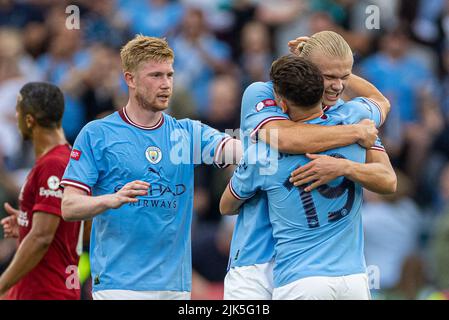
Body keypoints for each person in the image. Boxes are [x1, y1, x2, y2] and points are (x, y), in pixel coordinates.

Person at [60, 35, 241, 300]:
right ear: (130, 79)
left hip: (174, 288)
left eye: (169, 75)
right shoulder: (98, 134)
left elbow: (239, 150)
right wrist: (112, 199)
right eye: (155, 75)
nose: (166, 84)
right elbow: (68, 206)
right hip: (119, 285)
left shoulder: (187, 133)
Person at [223, 30, 391, 300]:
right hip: (258, 259)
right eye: (329, 76)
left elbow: (383, 104)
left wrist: (345, 166)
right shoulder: (262, 92)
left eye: (344, 77)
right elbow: (285, 137)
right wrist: (356, 134)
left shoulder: (348, 111)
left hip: (309, 270)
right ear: (308, 70)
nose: (338, 86)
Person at [0, 82, 81, 299]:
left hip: (47, 292)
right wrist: (27, 222)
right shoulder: (65, 159)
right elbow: (73, 227)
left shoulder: (53, 165)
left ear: (29, 120)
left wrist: (1, 285)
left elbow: (42, 237)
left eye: (18, 112)